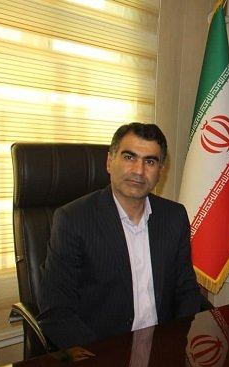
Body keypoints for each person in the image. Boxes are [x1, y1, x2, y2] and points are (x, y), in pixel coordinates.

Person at [38, 122, 202, 349]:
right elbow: (56, 312)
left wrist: (175, 342)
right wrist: (102, 359)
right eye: (129, 157)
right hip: (101, 353)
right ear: (109, 161)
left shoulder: (174, 217)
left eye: (150, 161)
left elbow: (186, 291)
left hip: (161, 350)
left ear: (160, 172)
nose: (139, 171)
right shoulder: (73, 220)